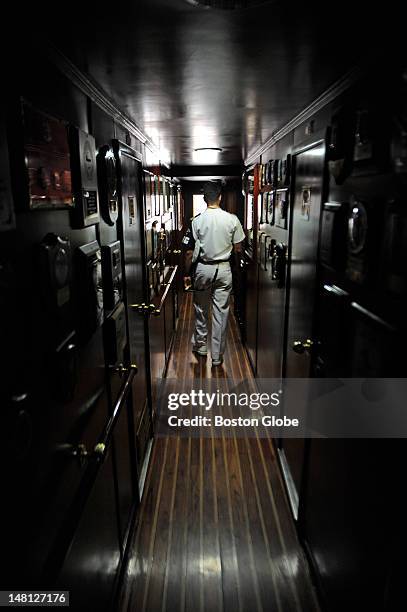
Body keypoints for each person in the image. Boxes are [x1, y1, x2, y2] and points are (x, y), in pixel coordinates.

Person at [182, 181, 245, 367]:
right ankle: (217, 356)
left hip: (203, 268)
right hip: (224, 269)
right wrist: (236, 270)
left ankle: (201, 346)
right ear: (220, 197)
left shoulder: (197, 221)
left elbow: (188, 251)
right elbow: (238, 248)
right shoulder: (232, 219)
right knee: (221, 312)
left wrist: (187, 273)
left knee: (201, 309)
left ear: (204, 199)